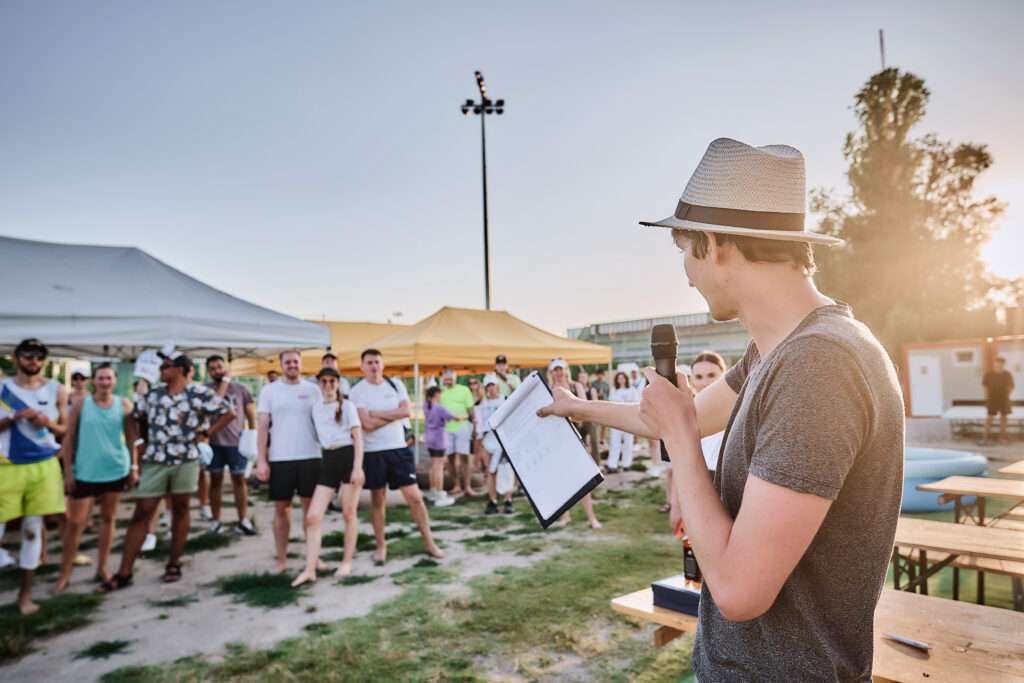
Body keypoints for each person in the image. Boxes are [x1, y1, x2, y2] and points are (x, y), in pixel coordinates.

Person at [539, 137, 903, 681]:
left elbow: (737, 591)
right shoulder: (777, 350)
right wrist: (578, 408)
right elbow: (675, 416)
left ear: (714, 244)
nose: (685, 271)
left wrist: (683, 446)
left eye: (684, 248)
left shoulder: (818, 366)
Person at [99, 351, 233, 591]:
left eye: (166, 366)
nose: (160, 370)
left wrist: (206, 434)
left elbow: (228, 412)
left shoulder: (198, 393)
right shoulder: (154, 395)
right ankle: (124, 571)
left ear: (181, 369)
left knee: (181, 509)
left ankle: (174, 563)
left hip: (186, 461)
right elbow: (133, 418)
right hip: (156, 461)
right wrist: (139, 446)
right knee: (143, 512)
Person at [349, 349, 444, 561]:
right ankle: (381, 547)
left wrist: (376, 413)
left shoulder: (396, 385)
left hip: (398, 450)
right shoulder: (358, 392)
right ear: (363, 366)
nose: (374, 366)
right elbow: (367, 425)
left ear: (382, 364)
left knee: (415, 498)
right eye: (369, 363)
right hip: (373, 453)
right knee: (378, 500)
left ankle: (430, 543)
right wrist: (390, 415)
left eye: (377, 362)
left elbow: (405, 412)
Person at [53, 364, 137, 593]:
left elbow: (131, 440)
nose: (104, 382)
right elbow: (69, 439)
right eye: (100, 378)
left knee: (108, 520)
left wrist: (133, 468)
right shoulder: (82, 404)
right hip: (85, 472)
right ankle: (64, 574)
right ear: (94, 381)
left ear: (115, 380)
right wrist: (68, 471)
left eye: (108, 378)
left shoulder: (124, 405)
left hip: (115, 469)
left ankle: (102, 568)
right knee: (75, 523)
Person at [0, 339, 68, 615]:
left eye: (39, 357)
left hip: (43, 465)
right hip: (6, 465)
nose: (34, 362)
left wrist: (48, 423)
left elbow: (63, 429)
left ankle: (25, 596)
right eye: (28, 356)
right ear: (16, 358)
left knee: (32, 529)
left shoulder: (56, 389)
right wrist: (13, 418)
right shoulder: (3, 389)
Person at [292, 368, 365, 585]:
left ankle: (347, 561)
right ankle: (310, 568)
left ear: (338, 383)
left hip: (348, 457)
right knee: (313, 516)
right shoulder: (315, 408)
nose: (328, 386)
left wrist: (358, 467)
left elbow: (358, 438)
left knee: (348, 512)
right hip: (328, 460)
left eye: (332, 381)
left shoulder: (348, 406)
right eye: (323, 382)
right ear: (318, 384)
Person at [255, 349, 323, 574]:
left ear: (301, 364)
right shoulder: (269, 391)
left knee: (309, 510)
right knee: (281, 509)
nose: (292, 365)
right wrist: (262, 460)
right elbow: (263, 427)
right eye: (288, 362)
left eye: (295, 361)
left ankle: (314, 558)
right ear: (281, 365)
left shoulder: (314, 390)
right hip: (281, 458)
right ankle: (281, 559)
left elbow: (324, 422)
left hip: (310, 456)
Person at [662, 351, 728, 514]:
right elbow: (680, 466)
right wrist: (676, 506)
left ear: (724, 375)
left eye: (711, 375)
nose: (705, 382)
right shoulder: (685, 413)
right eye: (698, 377)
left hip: (728, 490)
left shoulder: (740, 410)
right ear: (691, 381)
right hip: (694, 490)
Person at [205, 355, 257, 535]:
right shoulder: (206, 390)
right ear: (208, 372)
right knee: (215, 481)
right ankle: (215, 520)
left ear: (226, 367)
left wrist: (252, 435)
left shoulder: (241, 388)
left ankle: (243, 519)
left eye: (219, 367)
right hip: (214, 443)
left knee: (239, 481)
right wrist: (224, 383)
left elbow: (251, 414)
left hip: (236, 442)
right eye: (212, 368)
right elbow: (214, 405)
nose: (217, 371)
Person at [547, 359, 601, 529]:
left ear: (565, 370)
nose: (558, 372)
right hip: (557, 437)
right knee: (561, 478)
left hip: (576, 435)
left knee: (583, 477)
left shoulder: (575, 386)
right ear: (551, 372)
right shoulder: (548, 390)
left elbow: (583, 408)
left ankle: (591, 517)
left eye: (560, 369)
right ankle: (565, 515)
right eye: (555, 370)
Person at [475, 375, 513, 514]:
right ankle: (493, 501)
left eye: (492, 385)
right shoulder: (482, 404)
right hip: (488, 442)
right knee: (490, 472)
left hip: (503, 442)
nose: (491, 388)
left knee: (506, 470)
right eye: (488, 386)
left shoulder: (505, 400)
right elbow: (479, 428)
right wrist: (477, 450)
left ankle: (508, 500)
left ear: (497, 386)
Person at [439, 369, 477, 497]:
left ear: (455, 378)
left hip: (462, 427)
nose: (449, 381)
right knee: (450, 458)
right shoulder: (441, 392)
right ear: (443, 379)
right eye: (446, 379)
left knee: (465, 457)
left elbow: (471, 409)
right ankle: (456, 486)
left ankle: (467, 486)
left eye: (451, 378)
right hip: (446, 429)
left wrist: (474, 427)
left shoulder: (464, 390)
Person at [422, 386, 456, 507]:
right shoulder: (440, 408)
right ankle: (439, 492)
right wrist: (465, 417)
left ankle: (433, 490)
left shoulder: (425, 405)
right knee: (439, 467)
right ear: (436, 394)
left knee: (433, 465)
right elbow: (453, 417)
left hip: (429, 438)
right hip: (439, 439)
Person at [606, 372, 639, 472]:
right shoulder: (614, 390)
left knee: (628, 443)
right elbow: (611, 403)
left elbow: (636, 403)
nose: (621, 380)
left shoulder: (632, 390)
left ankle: (626, 464)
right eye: (619, 378)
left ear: (626, 379)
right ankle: (612, 465)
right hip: (616, 420)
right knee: (615, 443)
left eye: (622, 378)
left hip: (629, 420)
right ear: (616, 380)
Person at [981, 356, 1015, 445]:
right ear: (994, 364)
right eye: (997, 363)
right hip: (992, 399)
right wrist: (986, 398)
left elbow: (1011, 386)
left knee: (1003, 420)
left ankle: (1002, 438)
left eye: (1001, 363)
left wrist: (1007, 395)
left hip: (1004, 399)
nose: (998, 365)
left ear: (1003, 364)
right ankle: (984, 439)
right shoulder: (988, 374)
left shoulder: (1007, 374)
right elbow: (985, 387)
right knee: (989, 419)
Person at [575, 370, 602, 465]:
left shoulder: (592, 390)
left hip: (590, 420)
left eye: (584, 377)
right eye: (580, 377)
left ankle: (597, 464)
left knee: (594, 442)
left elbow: (596, 404)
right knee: (578, 442)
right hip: (578, 421)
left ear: (587, 379)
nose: (582, 379)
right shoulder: (574, 390)